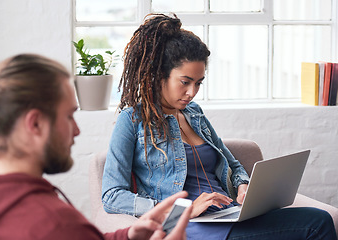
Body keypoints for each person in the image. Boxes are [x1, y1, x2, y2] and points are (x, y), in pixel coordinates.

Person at [101, 13, 337, 240]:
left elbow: (232, 164)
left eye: (198, 83)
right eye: (185, 82)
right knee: (316, 223)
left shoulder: (195, 114)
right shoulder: (132, 120)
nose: (192, 93)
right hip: (189, 224)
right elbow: (112, 196)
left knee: (318, 217)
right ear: (158, 75)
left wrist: (243, 186)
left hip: (227, 216)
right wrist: (183, 209)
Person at [0, 53, 192, 240]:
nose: (76, 130)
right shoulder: (53, 224)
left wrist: (127, 235)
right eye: (68, 116)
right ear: (35, 123)